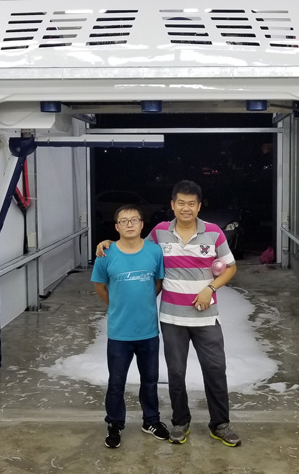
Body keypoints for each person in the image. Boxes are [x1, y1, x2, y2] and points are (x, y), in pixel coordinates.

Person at [96, 180, 241, 447]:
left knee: (215, 369)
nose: (186, 208)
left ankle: (220, 424)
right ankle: (180, 422)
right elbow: (133, 243)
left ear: (199, 206)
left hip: (206, 316)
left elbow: (231, 267)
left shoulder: (214, 232)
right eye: (181, 203)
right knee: (176, 373)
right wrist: (108, 243)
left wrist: (210, 288)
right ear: (172, 205)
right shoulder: (160, 232)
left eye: (191, 204)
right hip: (172, 318)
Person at [91, 204, 170, 448]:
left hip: (148, 331)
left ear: (142, 224)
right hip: (119, 333)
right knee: (116, 382)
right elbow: (100, 287)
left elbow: (158, 282)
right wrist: (117, 304)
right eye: (123, 221)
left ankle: (151, 421)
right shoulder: (106, 254)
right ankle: (115, 424)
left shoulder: (154, 251)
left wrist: (143, 302)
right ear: (116, 227)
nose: (129, 224)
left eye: (134, 220)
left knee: (150, 380)